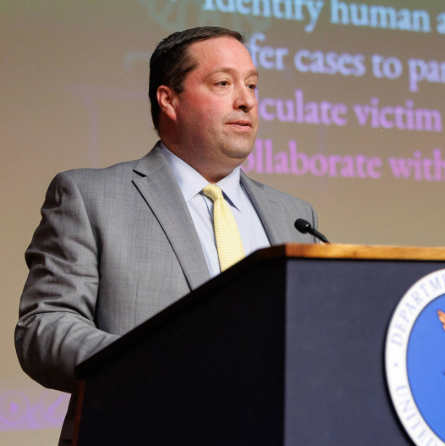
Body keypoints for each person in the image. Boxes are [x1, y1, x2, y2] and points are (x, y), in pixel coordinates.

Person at [15, 26, 318, 444]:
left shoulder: (295, 216)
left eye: (251, 85)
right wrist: (151, 366)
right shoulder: (91, 197)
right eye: (223, 83)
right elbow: (44, 327)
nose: (246, 100)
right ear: (168, 99)